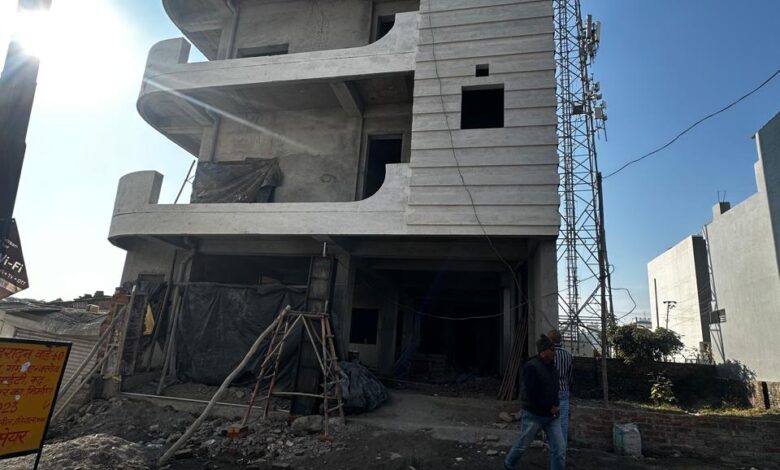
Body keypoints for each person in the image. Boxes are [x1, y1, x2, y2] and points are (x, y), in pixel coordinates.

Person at [504, 335, 565, 470]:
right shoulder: (532, 367)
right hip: (534, 415)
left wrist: (556, 405)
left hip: (552, 416)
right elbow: (531, 393)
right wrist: (549, 407)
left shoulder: (551, 367)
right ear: (544, 351)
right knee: (522, 445)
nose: (555, 352)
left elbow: (554, 388)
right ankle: (508, 464)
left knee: (559, 449)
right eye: (552, 349)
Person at [548, 329, 573, 444]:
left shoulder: (548, 355)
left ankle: (552, 446)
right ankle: (562, 447)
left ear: (550, 340)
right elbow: (570, 376)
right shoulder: (568, 355)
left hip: (550, 391)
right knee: (563, 422)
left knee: (548, 421)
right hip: (563, 390)